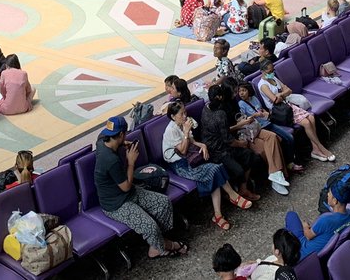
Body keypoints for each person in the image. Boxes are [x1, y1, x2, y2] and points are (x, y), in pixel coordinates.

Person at [93, 115, 186, 259]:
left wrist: (123, 144)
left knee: (163, 203)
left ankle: (155, 245)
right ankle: (166, 246)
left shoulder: (102, 139)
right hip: (116, 204)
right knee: (150, 226)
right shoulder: (110, 160)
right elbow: (125, 187)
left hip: (129, 193)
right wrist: (131, 162)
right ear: (122, 134)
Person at [162, 100, 252, 230]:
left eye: (185, 112)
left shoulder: (183, 124)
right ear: (173, 116)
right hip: (181, 165)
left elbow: (192, 142)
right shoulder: (171, 130)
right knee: (215, 169)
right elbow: (182, 150)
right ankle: (232, 196)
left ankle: (218, 215)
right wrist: (186, 132)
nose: (185, 116)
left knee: (214, 171)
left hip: (189, 158)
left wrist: (202, 145)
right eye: (182, 114)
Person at [285, 178, 350, 256]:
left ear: (335, 201)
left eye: (330, 193)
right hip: (324, 254)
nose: (327, 194)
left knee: (291, 215)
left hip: (304, 250)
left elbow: (308, 236)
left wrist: (305, 226)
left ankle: (288, 253)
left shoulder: (325, 219)